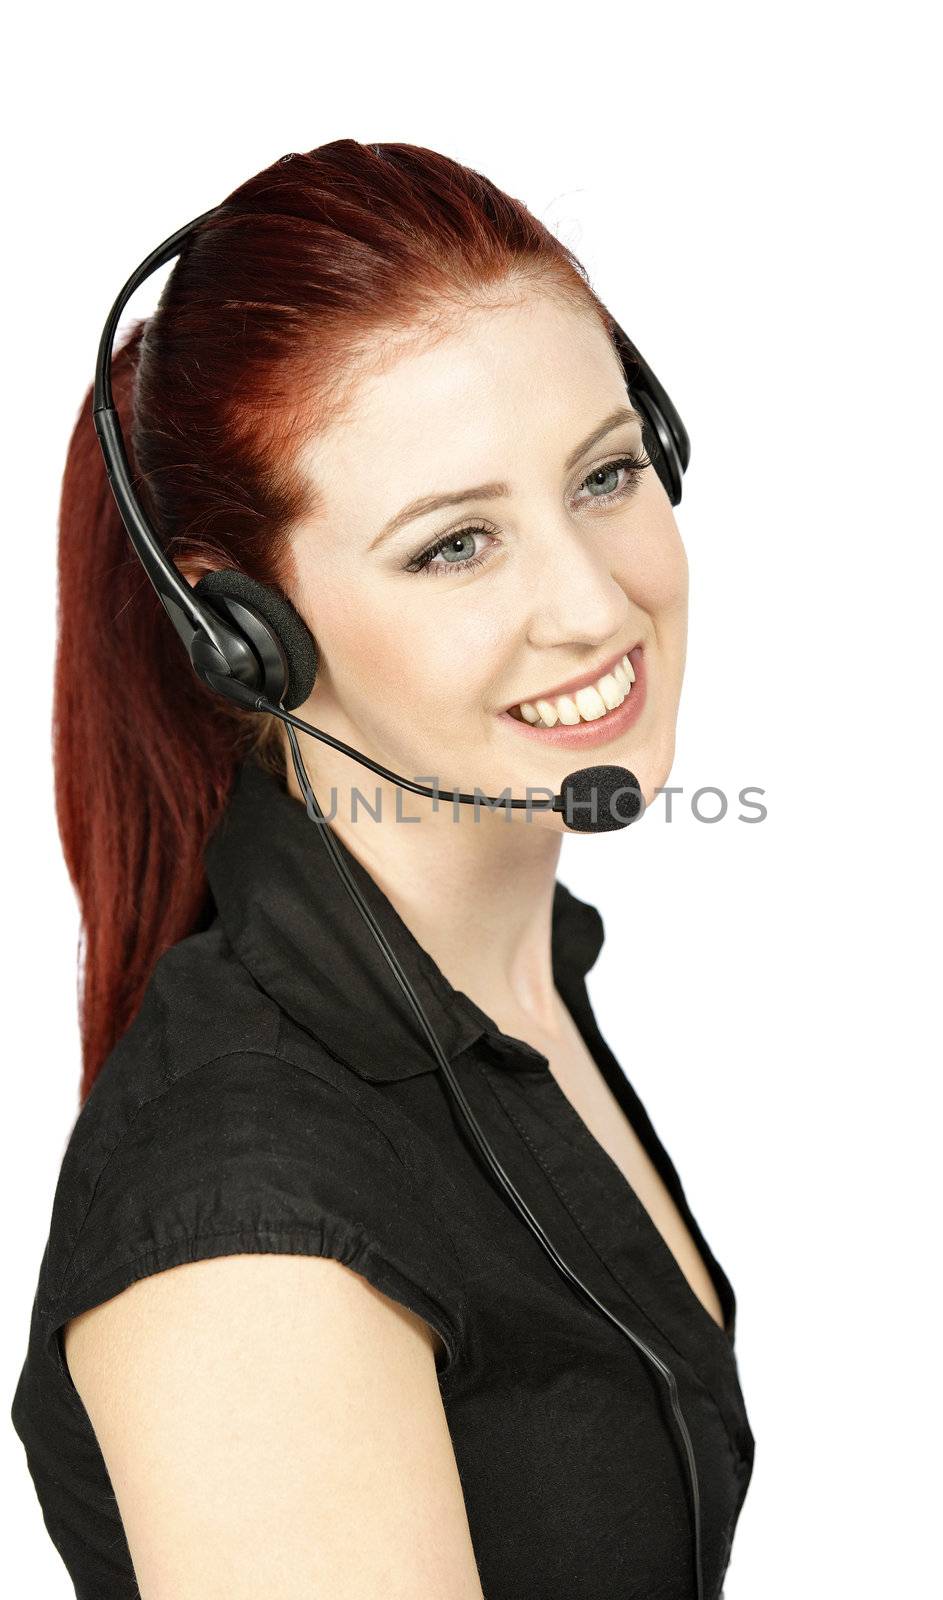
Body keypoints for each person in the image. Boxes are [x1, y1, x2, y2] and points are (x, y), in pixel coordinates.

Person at [10, 139, 755, 1598]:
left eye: (605, 475)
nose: (594, 602)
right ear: (248, 638)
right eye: (456, 545)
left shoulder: (508, 986)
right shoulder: (252, 1237)